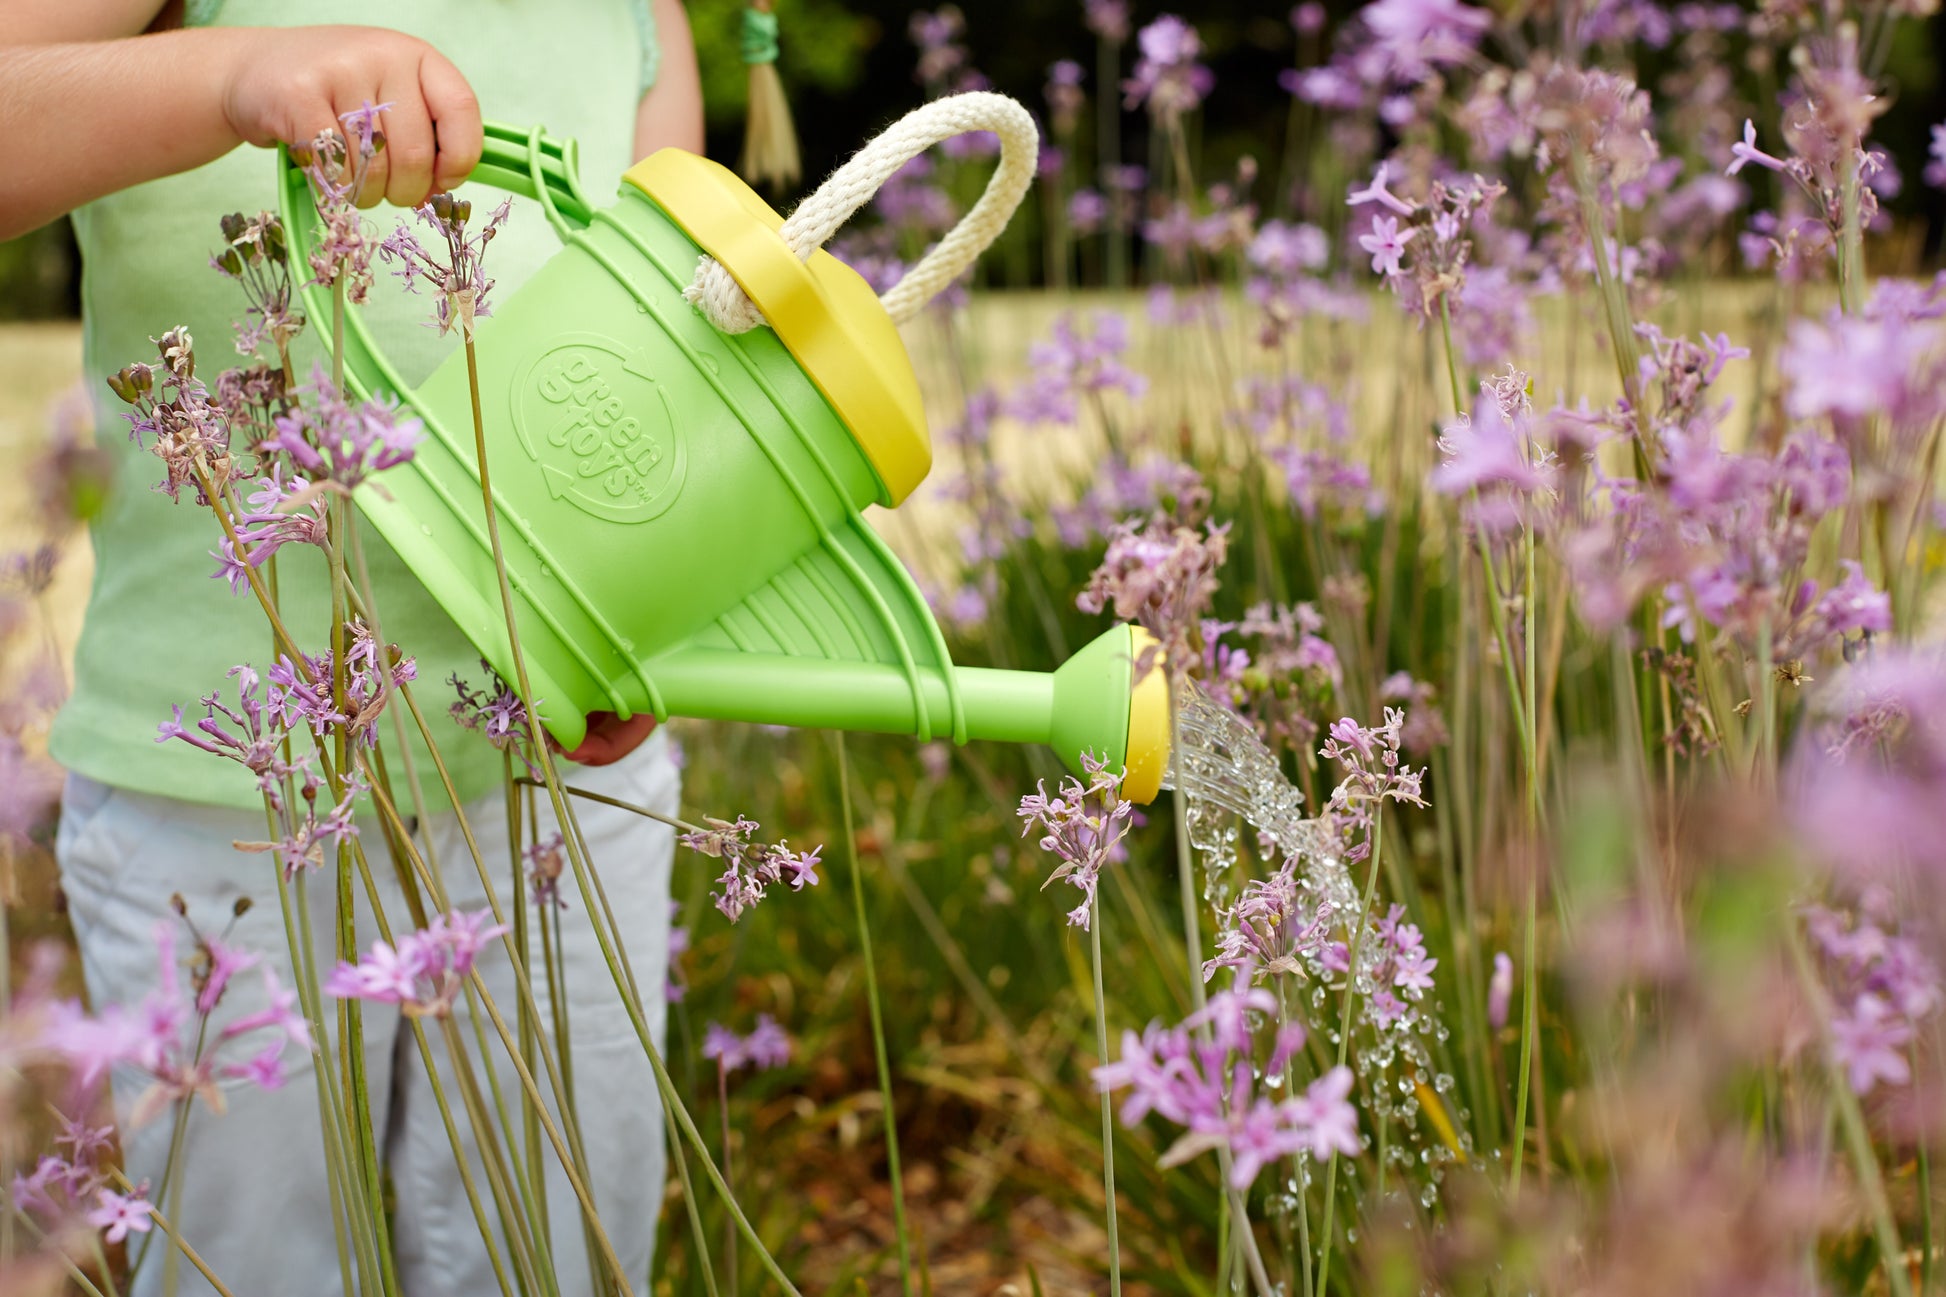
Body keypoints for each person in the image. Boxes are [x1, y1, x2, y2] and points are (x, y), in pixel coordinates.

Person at [0, 3, 701, 1294]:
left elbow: (669, 345)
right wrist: (232, 75)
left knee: (559, 1251)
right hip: (227, 803)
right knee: (247, 1263)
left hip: (560, 781)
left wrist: (649, 612)